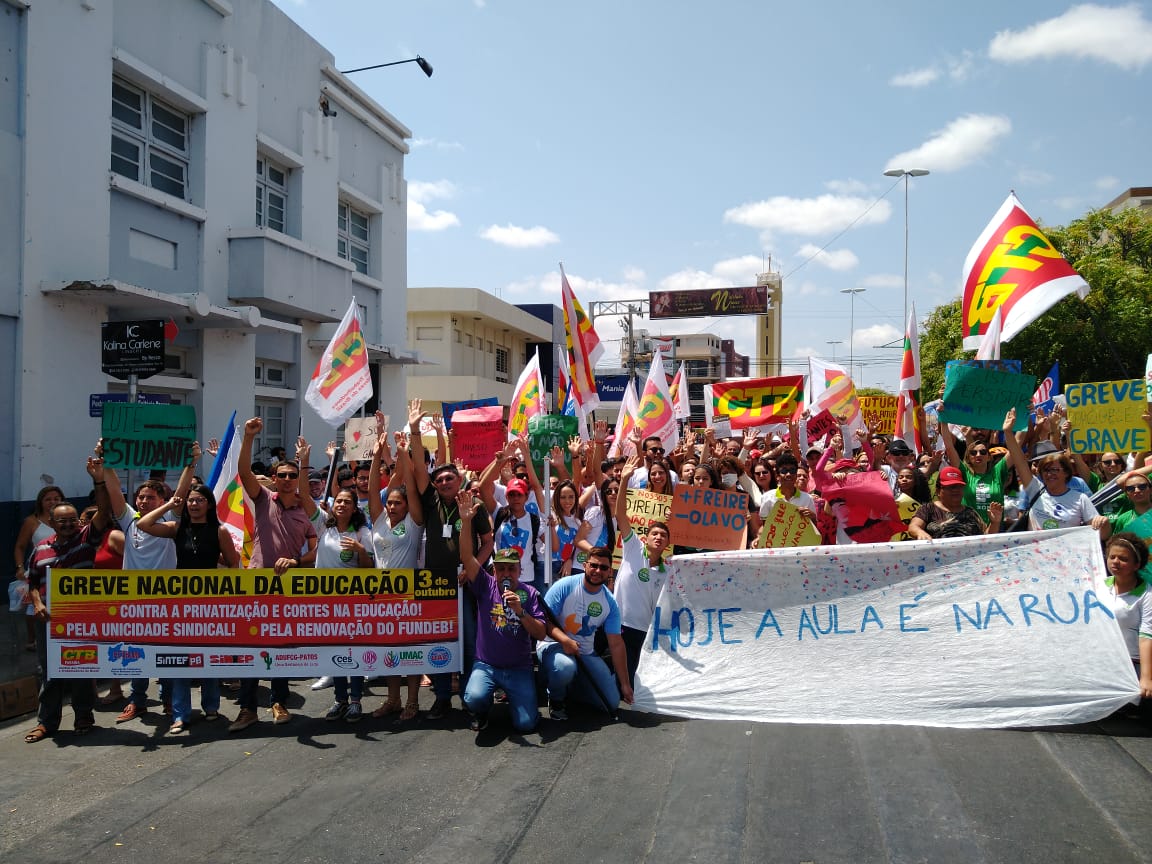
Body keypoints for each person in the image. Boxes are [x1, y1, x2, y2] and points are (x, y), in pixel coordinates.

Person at [229, 418, 317, 732]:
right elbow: (243, 474)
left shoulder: (307, 510)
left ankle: (278, 701)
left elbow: (317, 551)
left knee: (280, 644)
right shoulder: (264, 500)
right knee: (254, 646)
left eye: (293, 475)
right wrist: (250, 437)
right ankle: (248, 708)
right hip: (257, 583)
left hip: (289, 587)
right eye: (282, 475)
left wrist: (296, 562)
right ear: (274, 478)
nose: (288, 479)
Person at [409, 398, 493, 720]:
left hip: (467, 583)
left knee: (471, 642)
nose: (444, 482)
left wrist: (475, 568)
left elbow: (488, 542)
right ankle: (442, 697)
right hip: (436, 585)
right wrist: (416, 431)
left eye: (450, 478)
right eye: (439, 479)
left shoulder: (475, 504)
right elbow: (419, 467)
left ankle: (474, 701)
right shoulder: (431, 502)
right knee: (438, 641)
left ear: (460, 480)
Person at [106, 443, 199, 725]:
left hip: (165, 599)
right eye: (140, 497)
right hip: (134, 600)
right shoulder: (130, 521)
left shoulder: (171, 518)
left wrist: (192, 462)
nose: (143, 501)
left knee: (166, 652)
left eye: (149, 497)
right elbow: (113, 494)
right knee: (135, 652)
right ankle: (137, 701)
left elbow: (181, 492)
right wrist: (106, 463)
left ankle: (169, 700)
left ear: (163, 500)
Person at [136, 484, 239, 732]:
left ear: (209, 504)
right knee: (179, 661)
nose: (193, 505)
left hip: (210, 604)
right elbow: (143, 525)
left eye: (199, 500)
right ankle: (181, 714)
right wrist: (171, 505)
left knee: (209, 657)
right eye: (190, 501)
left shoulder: (220, 531)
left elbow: (234, 567)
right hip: (181, 605)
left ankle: (211, 706)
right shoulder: (176, 528)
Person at [23, 458, 108, 743]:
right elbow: (32, 581)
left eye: (73, 519)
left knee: (82, 666)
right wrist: (37, 604)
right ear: (53, 522)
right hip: (50, 618)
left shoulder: (86, 541)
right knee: (50, 671)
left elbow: (105, 511)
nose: (69, 524)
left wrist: (98, 479)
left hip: (80, 617)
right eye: (63, 520)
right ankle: (47, 722)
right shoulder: (40, 550)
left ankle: (84, 715)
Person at [456, 491, 548, 733]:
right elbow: (467, 556)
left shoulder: (530, 594)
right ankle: (483, 709)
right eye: (501, 569)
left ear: (519, 571)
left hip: (518, 668)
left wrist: (521, 612)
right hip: (487, 666)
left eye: (511, 569)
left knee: (526, 725)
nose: (506, 574)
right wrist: (466, 522)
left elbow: (540, 633)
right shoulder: (486, 585)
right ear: (494, 571)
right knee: (472, 697)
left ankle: (521, 704)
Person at [366, 428, 425, 722]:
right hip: (382, 596)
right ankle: (393, 700)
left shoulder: (414, 523)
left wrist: (403, 452)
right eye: (389, 502)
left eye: (397, 503)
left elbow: (412, 489)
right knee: (389, 650)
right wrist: (377, 455)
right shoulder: (378, 522)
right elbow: (370, 491)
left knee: (410, 650)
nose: (392, 506)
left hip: (408, 596)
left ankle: (412, 702)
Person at [537, 546, 633, 720]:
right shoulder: (564, 586)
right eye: (594, 566)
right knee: (564, 668)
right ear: (584, 565)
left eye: (603, 568)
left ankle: (572, 685)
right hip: (553, 645)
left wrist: (625, 685)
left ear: (610, 571)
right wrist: (565, 641)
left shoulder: (610, 603)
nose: (598, 571)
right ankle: (556, 697)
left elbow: (616, 644)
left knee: (611, 703)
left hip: (585, 653)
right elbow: (544, 623)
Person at [305, 484, 373, 723]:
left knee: (351, 651)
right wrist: (304, 462)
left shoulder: (362, 533)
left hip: (351, 604)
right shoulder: (323, 525)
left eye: (347, 502)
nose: (342, 505)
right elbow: (304, 495)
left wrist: (361, 551)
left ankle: (355, 700)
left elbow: (370, 570)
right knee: (333, 650)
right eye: (339, 501)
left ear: (355, 508)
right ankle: (339, 699)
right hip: (324, 603)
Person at [613, 456, 671, 689]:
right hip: (617, 624)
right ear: (645, 538)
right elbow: (620, 515)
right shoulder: (633, 546)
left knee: (636, 683)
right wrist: (625, 479)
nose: (658, 537)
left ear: (667, 542)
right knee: (614, 683)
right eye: (654, 534)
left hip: (643, 630)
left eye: (663, 535)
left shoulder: (669, 570)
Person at [1100, 533, 1152, 705]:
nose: (1115, 562)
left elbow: (1147, 637)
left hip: (1132, 666)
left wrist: (1146, 679)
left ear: (1136, 565)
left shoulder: (1147, 594)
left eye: (1123, 559)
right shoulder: (1098, 585)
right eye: (1112, 557)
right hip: (1101, 663)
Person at [907, 467, 1002, 539]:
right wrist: (920, 533)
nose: (955, 490)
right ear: (938, 491)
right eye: (950, 487)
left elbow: (985, 539)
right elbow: (913, 527)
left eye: (959, 486)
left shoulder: (971, 513)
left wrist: (994, 523)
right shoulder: (928, 509)